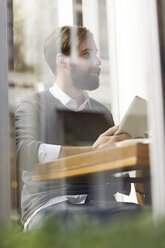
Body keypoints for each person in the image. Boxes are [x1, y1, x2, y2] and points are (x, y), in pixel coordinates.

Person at [15, 26, 133, 230]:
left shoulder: (101, 112)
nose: (97, 62)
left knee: (145, 216)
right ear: (62, 61)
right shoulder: (32, 105)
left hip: (100, 204)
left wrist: (124, 159)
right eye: (87, 54)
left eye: (96, 54)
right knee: (77, 223)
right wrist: (95, 152)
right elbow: (24, 151)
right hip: (48, 205)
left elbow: (110, 176)